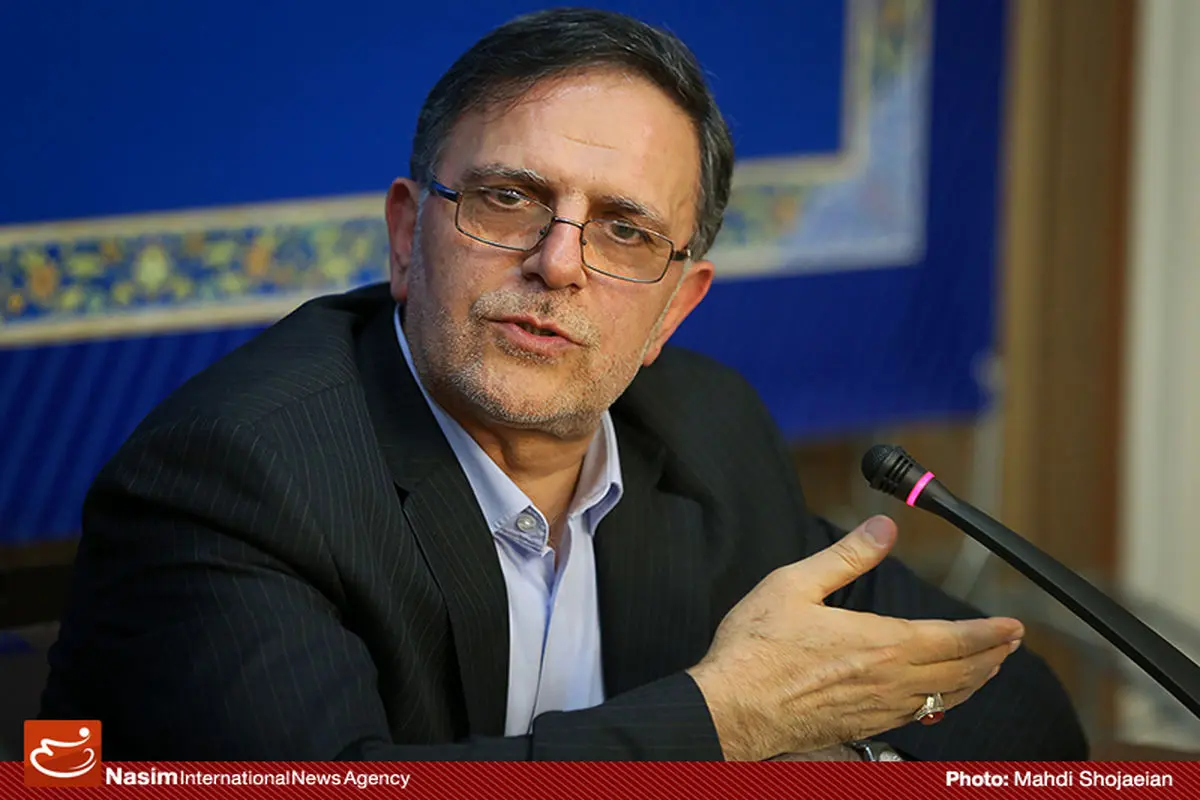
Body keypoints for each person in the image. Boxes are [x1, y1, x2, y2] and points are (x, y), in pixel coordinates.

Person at [40, 8, 1086, 761]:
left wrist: (858, 751)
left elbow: (1022, 718)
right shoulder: (237, 477)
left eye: (625, 230)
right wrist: (726, 724)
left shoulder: (706, 430)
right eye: (508, 199)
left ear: (675, 308)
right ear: (406, 237)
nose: (559, 263)